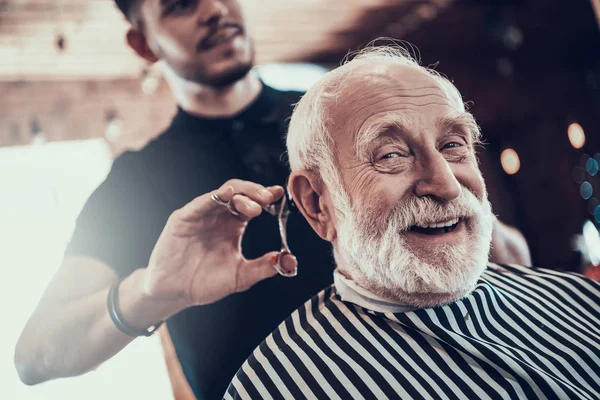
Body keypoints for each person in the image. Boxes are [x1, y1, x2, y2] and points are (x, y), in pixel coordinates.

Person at [13, 0, 529, 398]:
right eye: (180, 4)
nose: (214, 10)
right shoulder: (137, 183)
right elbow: (35, 357)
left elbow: (510, 256)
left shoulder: (343, 121)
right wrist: (153, 292)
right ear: (143, 43)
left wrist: (472, 232)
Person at [227, 46, 600, 399]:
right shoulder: (278, 386)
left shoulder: (581, 303)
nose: (447, 185)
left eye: (453, 145)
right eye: (390, 154)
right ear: (317, 204)